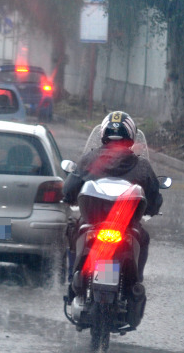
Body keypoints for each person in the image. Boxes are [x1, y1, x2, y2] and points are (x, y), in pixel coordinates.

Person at [62, 111, 162, 284]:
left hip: (92, 225)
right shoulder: (142, 166)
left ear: (103, 134)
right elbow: (154, 198)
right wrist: (152, 209)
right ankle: (137, 280)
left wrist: (69, 197)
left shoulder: (89, 159)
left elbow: (68, 190)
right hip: (126, 228)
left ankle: (72, 277)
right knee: (143, 237)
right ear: (131, 135)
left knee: (73, 229)